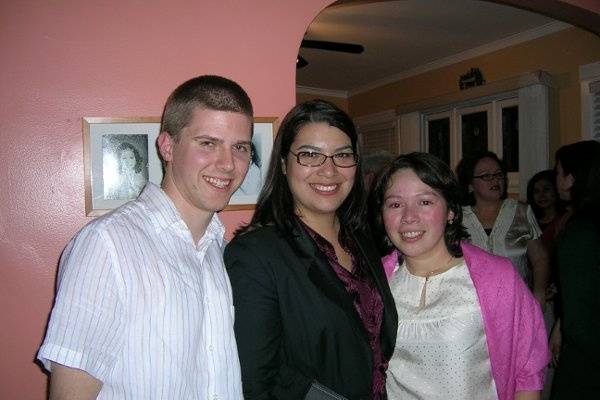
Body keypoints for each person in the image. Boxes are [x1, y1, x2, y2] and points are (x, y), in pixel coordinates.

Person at [37, 75, 254, 399]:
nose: (227, 164)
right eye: (208, 143)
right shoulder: (107, 245)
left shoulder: (218, 251)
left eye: (240, 147)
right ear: (167, 146)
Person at [224, 100, 398, 399]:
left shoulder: (361, 240)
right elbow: (256, 382)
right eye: (310, 155)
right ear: (283, 163)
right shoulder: (256, 255)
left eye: (342, 155)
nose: (329, 171)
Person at [369, 152, 549, 400]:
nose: (408, 217)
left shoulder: (497, 279)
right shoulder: (373, 282)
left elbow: (527, 372)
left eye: (425, 202)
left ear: (451, 211)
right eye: (395, 204)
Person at [456, 151, 550, 307]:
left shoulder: (521, 212)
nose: (495, 180)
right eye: (486, 176)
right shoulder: (457, 218)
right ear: (470, 185)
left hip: (516, 304)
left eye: (498, 174)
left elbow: (540, 258)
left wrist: (539, 292)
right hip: (471, 308)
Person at [550, 140, 600, 399]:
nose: (555, 179)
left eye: (558, 172)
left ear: (571, 178)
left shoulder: (581, 232)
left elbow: (581, 318)